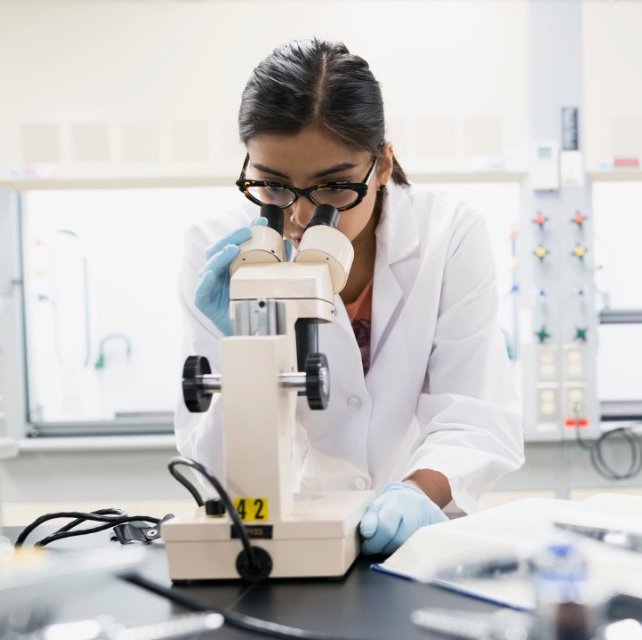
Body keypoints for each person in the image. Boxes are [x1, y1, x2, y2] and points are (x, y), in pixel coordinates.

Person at [175, 38, 523, 555]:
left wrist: (413, 494)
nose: (297, 216)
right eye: (272, 186)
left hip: (416, 537)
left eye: (333, 187)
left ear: (382, 165)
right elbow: (213, 465)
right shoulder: (220, 253)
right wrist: (244, 355)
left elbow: (473, 411)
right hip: (278, 535)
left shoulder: (447, 234)